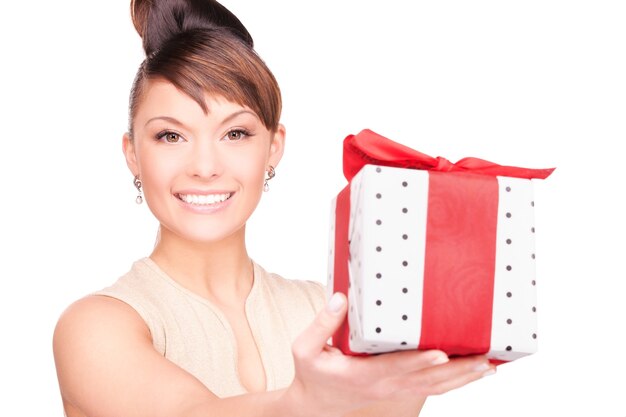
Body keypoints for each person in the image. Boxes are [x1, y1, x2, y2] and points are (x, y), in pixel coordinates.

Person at [52, 0, 496, 415]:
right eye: (171, 136)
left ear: (273, 147)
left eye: (236, 134)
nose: (205, 168)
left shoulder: (326, 313)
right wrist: (311, 400)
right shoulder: (94, 328)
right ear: (133, 154)